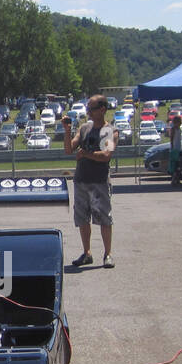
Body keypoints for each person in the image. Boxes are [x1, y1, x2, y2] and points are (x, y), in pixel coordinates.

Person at [63, 93, 116, 267]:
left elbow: (106, 155)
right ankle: (87, 253)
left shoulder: (111, 132)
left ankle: (107, 254)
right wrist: (67, 130)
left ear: (102, 109)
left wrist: (85, 154)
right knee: (82, 218)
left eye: (91, 109)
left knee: (104, 219)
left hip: (99, 181)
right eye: (87, 109)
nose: (88, 112)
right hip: (81, 180)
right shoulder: (85, 128)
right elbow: (69, 149)